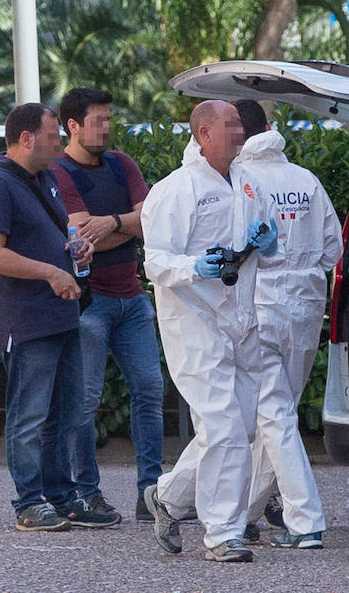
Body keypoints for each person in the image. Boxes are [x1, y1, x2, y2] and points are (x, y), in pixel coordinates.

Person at [140, 100, 279, 563]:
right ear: (204, 133)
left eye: (240, 124)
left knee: (234, 428)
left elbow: (267, 244)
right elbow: (156, 261)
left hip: (240, 320)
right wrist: (195, 268)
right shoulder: (174, 191)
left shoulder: (246, 182)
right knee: (222, 425)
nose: (241, 132)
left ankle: (168, 498)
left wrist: (266, 242)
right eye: (232, 125)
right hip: (194, 323)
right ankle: (223, 533)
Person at [0, 103, 120, 531]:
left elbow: (53, 235)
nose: (59, 143)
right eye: (53, 135)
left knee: (67, 414)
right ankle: (29, 503)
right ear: (26, 138)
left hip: (63, 316)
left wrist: (74, 249)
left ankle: (61, 497)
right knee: (29, 418)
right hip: (26, 321)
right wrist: (51, 272)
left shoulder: (47, 178)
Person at [233, 99, 343, 549]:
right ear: (270, 127)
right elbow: (333, 248)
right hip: (306, 303)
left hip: (261, 302)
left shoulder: (239, 181)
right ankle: (246, 514)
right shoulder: (305, 179)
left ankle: (305, 521)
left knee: (273, 417)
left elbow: (232, 247)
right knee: (276, 417)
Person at [53, 88, 165, 523]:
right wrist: (128, 225)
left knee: (150, 390)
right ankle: (87, 494)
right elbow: (82, 236)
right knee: (84, 401)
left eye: (108, 119)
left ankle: (151, 494)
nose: (107, 127)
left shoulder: (122, 163)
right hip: (91, 302)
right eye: (98, 120)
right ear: (73, 126)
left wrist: (114, 223)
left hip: (133, 298)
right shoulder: (60, 172)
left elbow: (150, 219)